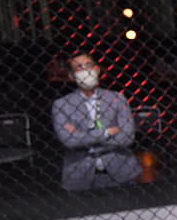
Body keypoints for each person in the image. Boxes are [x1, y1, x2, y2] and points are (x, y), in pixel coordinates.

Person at [51, 52, 141, 190]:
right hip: (80, 176)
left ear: (97, 70)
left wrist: (84, 138)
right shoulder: (61, 105)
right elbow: (68, 141)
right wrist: (106, 133)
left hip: (122, 172)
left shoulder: (117, 99)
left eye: (88, 65)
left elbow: (128, 137)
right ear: (71, 76)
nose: (85, 71)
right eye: (79, 68)